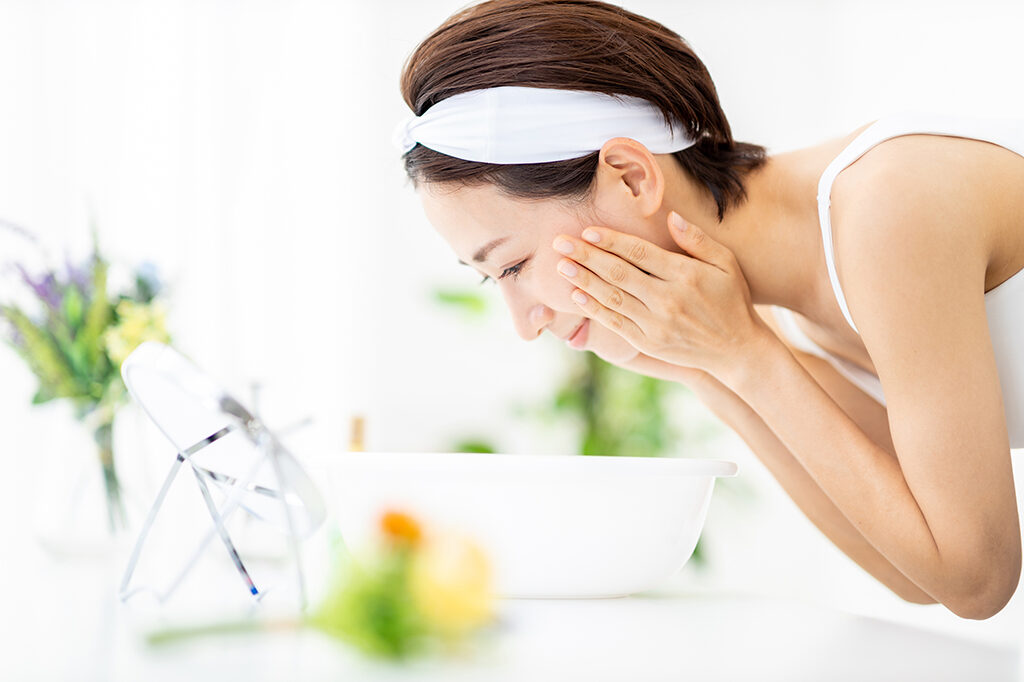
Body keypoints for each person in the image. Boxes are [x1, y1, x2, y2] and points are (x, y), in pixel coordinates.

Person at [392, 0, 1024, 620]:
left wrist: (748, 357)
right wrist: (703, 367)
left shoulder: (885, 212)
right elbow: (917, 570)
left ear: (631, 177)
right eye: (492, 281)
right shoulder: (785, 299)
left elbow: (976, 579)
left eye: (513, 266)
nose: (524, 324)